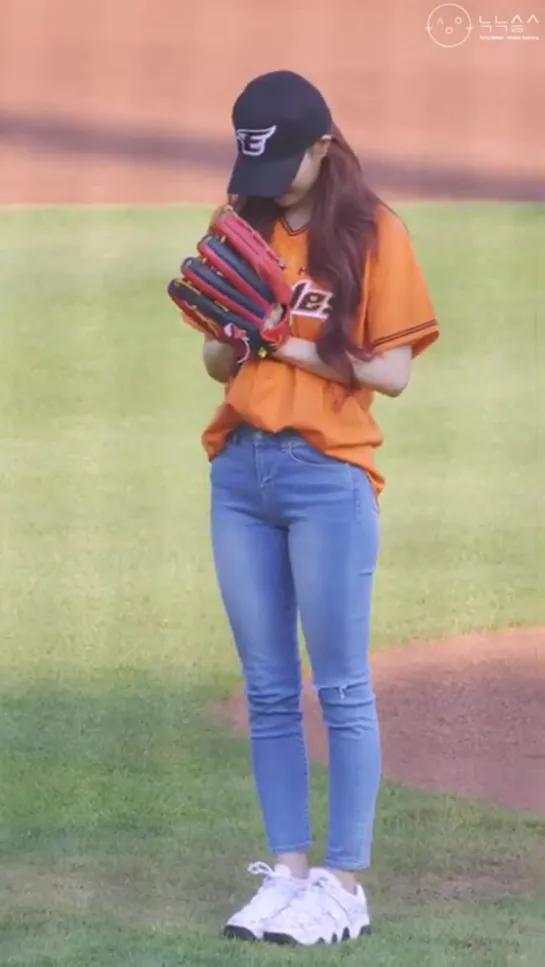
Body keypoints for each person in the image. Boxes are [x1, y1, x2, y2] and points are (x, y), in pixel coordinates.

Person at [200, 70, 439, 946]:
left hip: (325, 475)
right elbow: (217, 365)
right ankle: (287, 876)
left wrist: (282, 336)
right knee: (267, 688)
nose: (264, 187)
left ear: (323, 147)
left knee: (338, 685)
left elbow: (392, 372)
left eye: (281, 167)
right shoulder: (245, 219)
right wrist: (233, 333)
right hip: (240, 474)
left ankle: (342, 884)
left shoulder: (373, 232)